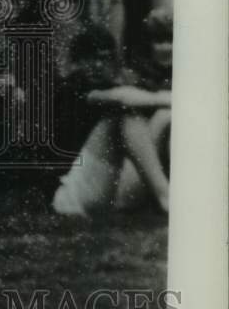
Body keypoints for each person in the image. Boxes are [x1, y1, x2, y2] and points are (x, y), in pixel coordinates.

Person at [50, 18, 170, 216]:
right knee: (124, 117)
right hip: (71, 195)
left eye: (104, 58)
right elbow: (122, 98)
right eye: (89, 59)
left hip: (107, 186)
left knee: (164, 117)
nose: (97, 65)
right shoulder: (71, 87)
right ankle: (166, 197)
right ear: (76, 62)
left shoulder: (110, 85)